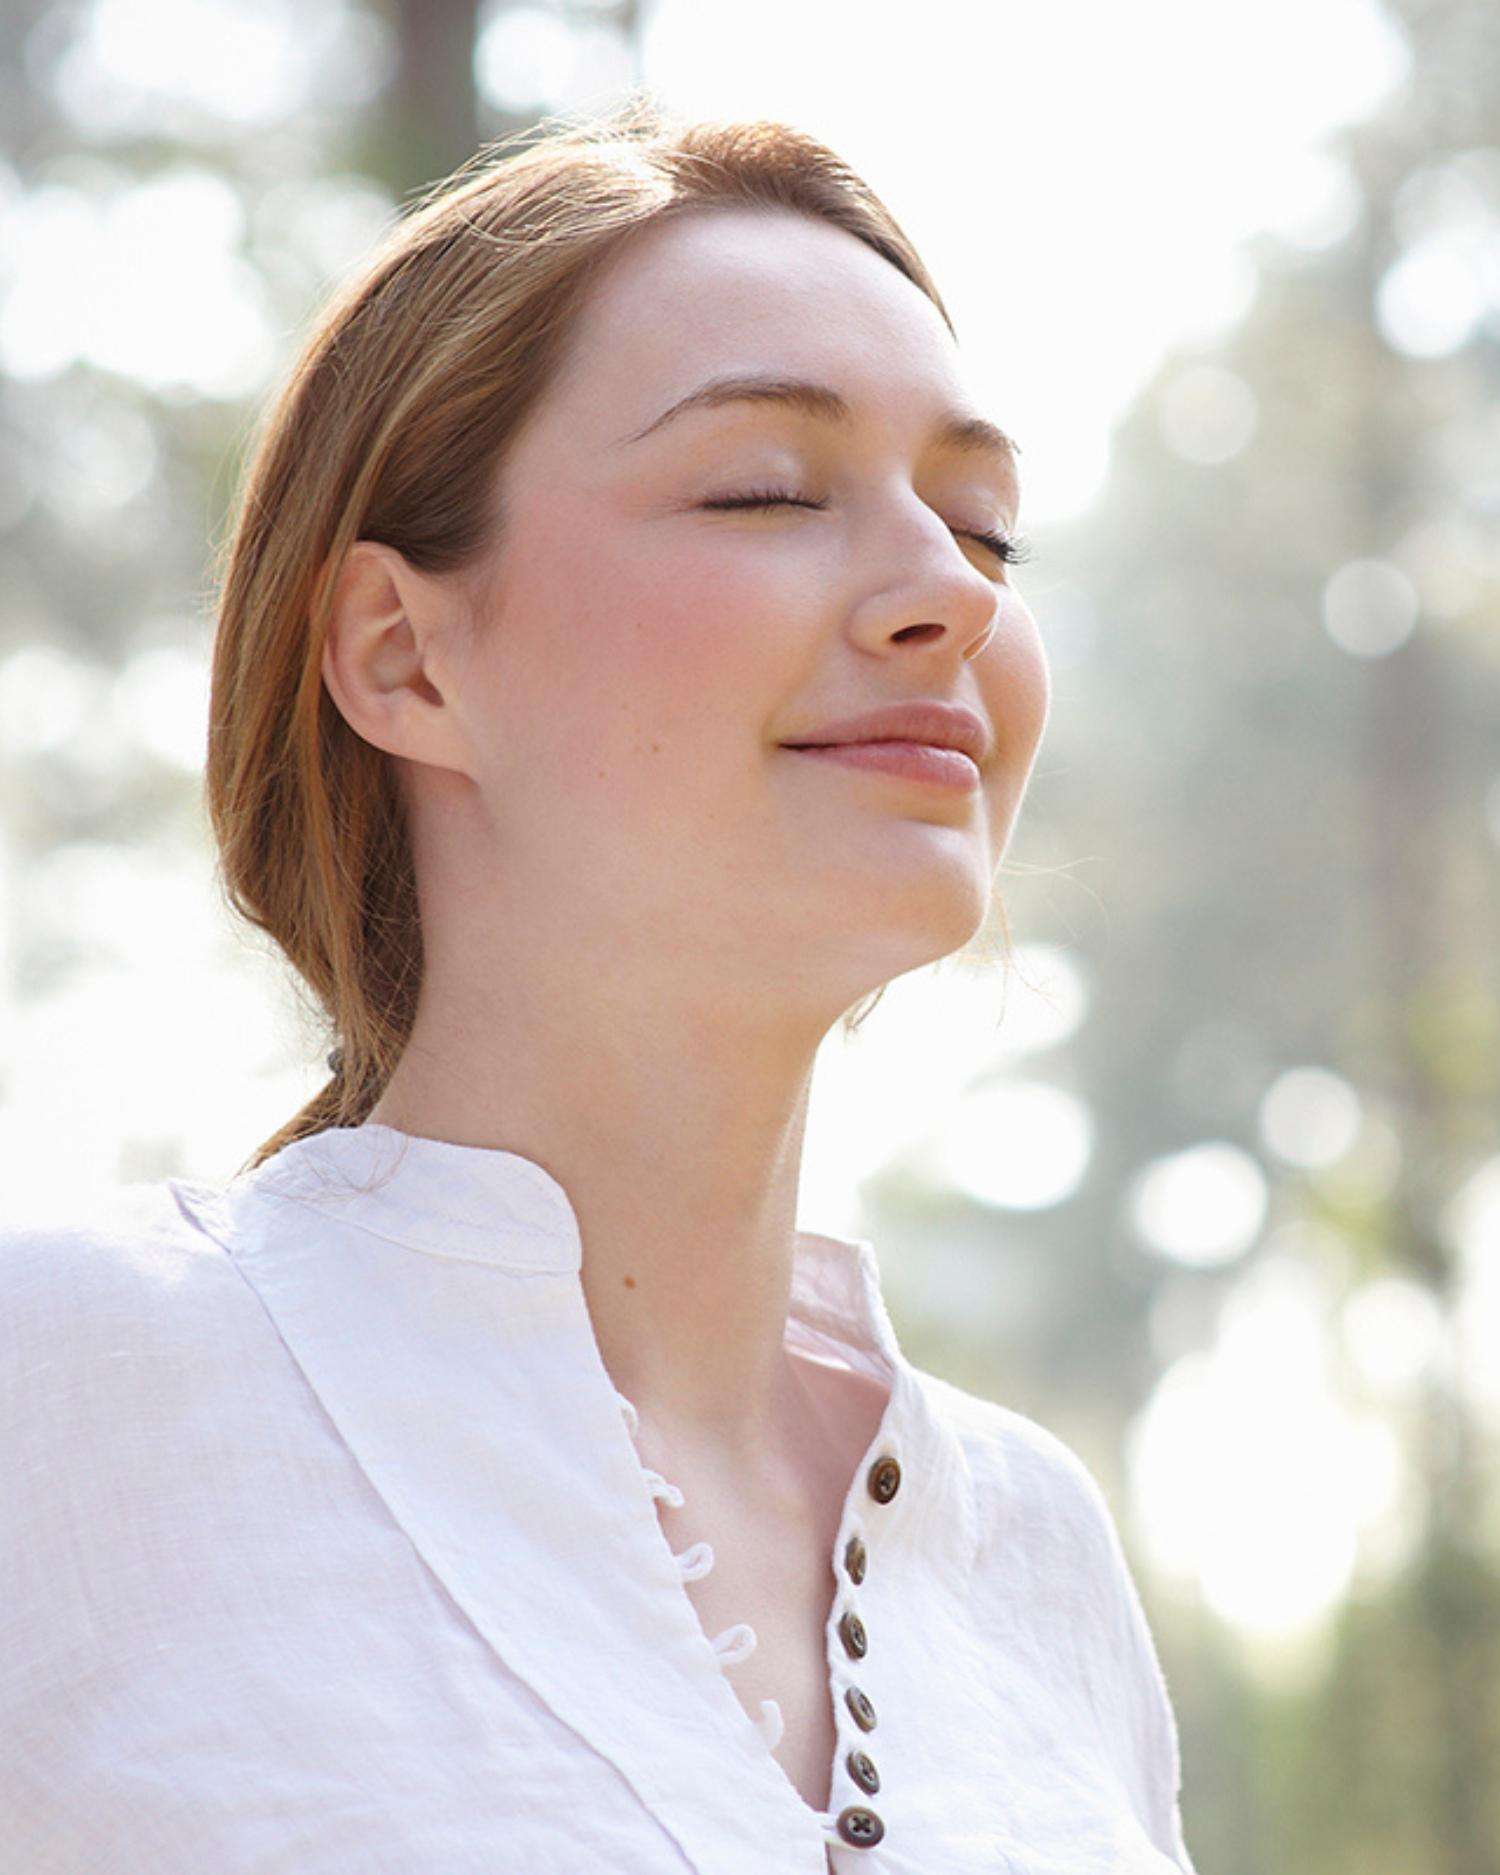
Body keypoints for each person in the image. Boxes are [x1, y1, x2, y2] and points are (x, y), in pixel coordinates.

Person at [1, 93, 1196, 1873]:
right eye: (766, 488)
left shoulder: (1038, 1556)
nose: (947, 590)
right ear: (403, 654)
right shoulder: (67, 1407)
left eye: (988, 529)